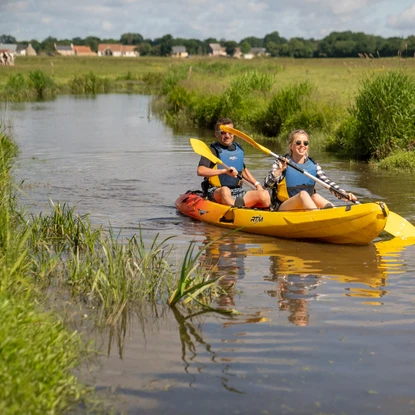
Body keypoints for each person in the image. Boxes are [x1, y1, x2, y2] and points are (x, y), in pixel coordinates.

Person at [262, 129, 357, 211]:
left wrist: (344, 194)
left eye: (305, 143)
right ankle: (318, 218)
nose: (302, 145)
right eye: (298, 143)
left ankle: (337, 215)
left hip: (305, 207)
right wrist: (279, 170)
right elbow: (265, 186)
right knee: (302, 195)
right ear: (291, 146)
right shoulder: (281, 163)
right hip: (283, 207)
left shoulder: (314, 165)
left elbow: (327, 183)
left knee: (316, 197)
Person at [197, 117, 270, 208]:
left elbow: (243, 171)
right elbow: (200, 171)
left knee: (264, 194)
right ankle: (237, 210)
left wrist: (257, 184)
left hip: (237, 191)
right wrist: (224, 171)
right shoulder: (211, 151)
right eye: (223, 133)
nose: (227, 136)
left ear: (234, 133)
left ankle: (266, 213)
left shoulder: (238, 149)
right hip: (216, 191)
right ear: (216, 134)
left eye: (230, 132)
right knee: (225, 190)